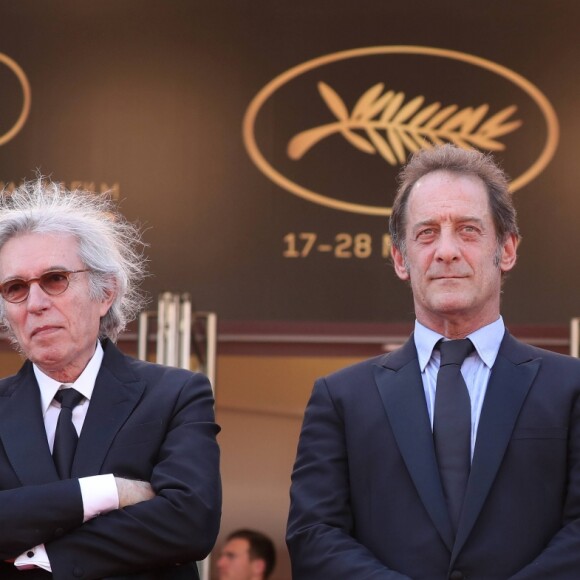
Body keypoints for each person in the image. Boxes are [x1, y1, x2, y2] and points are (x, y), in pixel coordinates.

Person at [286, 144, 580, 579]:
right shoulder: (341, 399)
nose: (446, 251)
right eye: (426, 233)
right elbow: (313, 535)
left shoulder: (571, 387)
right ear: (401, 258)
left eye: (467, 230)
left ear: (508, 249)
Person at [0, 180, 221, 580]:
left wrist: (44, 555)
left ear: (105, 293)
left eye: (55, 279)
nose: (35, 303)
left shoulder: (175, 394)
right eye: (15, 288)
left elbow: (190, 522)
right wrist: (109, 492)